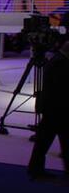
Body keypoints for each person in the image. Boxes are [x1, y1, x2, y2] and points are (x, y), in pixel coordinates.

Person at [28, 34, 69, 179]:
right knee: (45, 141)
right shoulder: (61, 63)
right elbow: (61, 88)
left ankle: (35, 169)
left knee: (43, 141)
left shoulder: (57, 60)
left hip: (52, 108)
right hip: (58, 108)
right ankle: (36, 169)